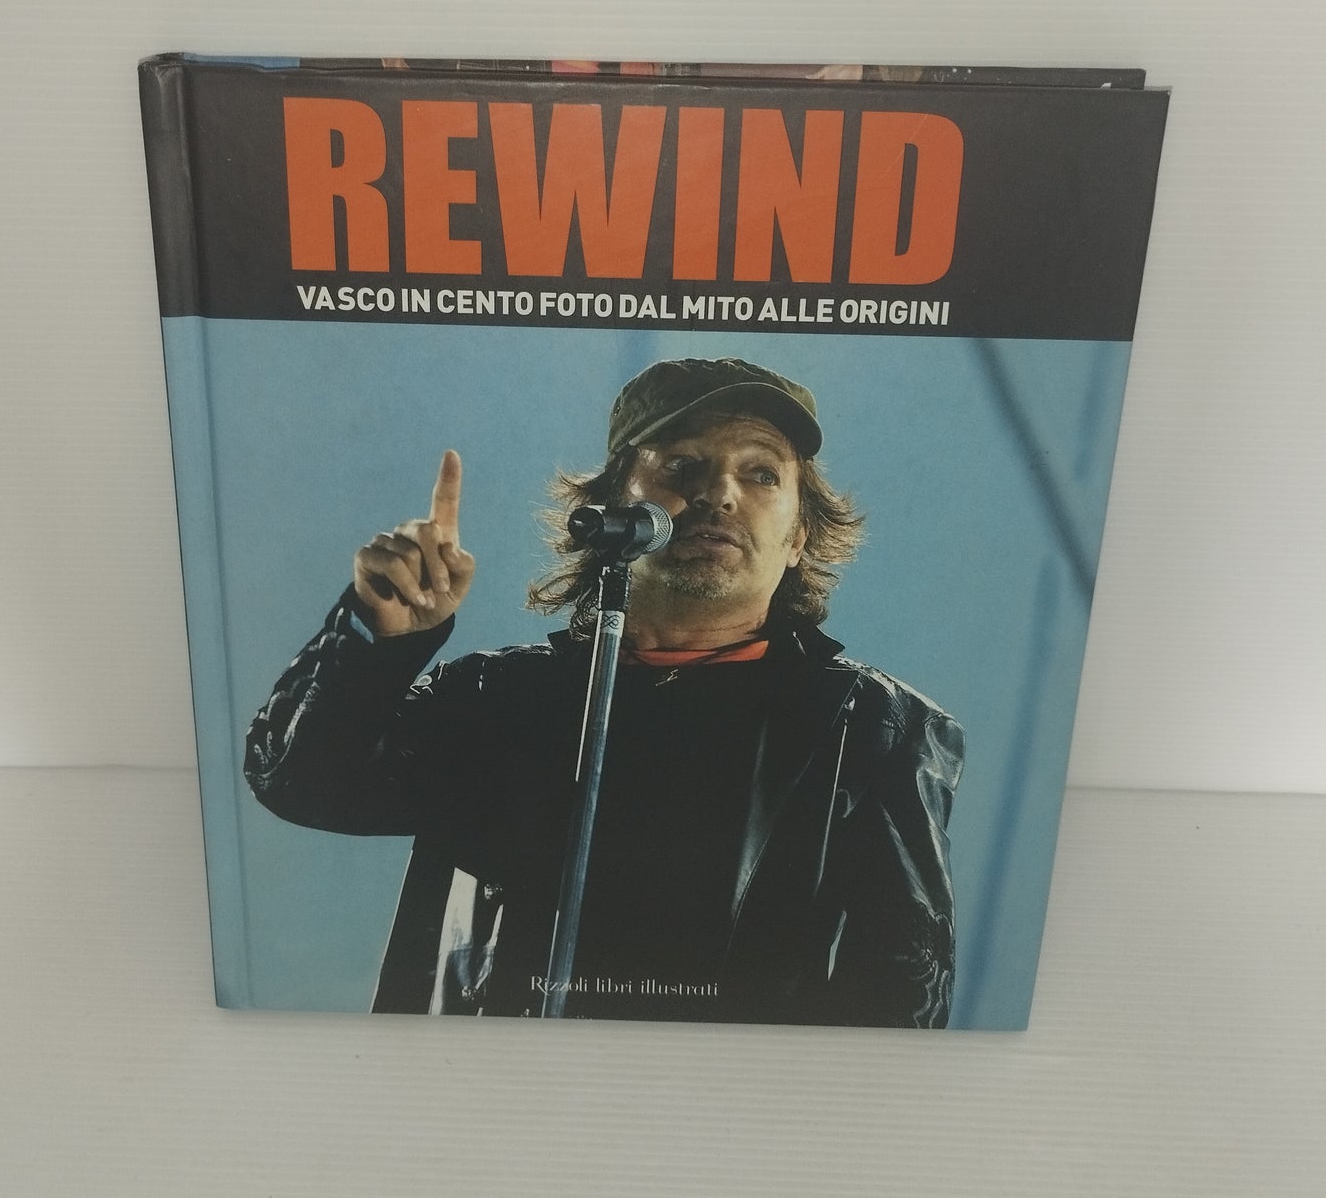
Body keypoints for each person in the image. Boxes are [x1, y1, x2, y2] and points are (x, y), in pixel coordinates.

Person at [243, 357, 964, 1026]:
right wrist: (375, 640)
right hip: (486, 1096)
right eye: (682, 464)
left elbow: (902, 992)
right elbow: (301, 781)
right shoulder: (495, 697)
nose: (719, 493)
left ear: (800, 534)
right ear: (612, 506)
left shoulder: (872, 726)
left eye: (761, 474)